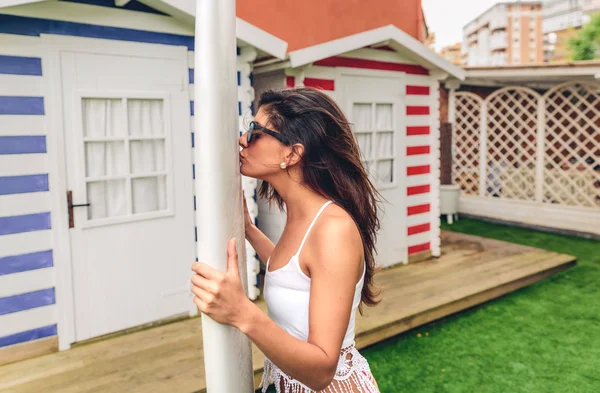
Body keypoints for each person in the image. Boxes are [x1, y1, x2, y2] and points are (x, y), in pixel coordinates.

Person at [190, 87, 382, 392]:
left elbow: (321, 370)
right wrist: (249, 231)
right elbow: (296, 275)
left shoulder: (333, 229)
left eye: (255, 131)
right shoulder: (303, 215)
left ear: (291, 153)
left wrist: (241, 311)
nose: (243, 139)